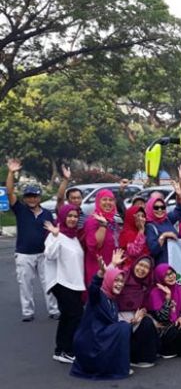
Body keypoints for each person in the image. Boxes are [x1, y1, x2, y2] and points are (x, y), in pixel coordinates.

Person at [6, 158, 59, 321]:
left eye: (34, 196)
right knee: (25, 284)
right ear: (25, 198)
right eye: (28, 196)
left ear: (39, 197)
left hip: (44, 254)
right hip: (24, 254)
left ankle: (54, 310)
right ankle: (27, 312)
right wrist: (11, 172)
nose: (31, 199)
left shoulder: (47, 214)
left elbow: (54, 232)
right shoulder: (20, 210)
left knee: (49, 283)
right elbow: (9, 192)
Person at [71, 256, 131, 380]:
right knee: (123, 327)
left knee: (124, 326)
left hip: (101, 339)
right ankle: (116, 368)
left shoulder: (112, 300)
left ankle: (115, 366)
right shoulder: (98, 297)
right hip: (91, 342)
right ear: (108, 280)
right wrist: (100, 274)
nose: (119, 284)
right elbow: (93, 288)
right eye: (116, 280)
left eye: (121, 281)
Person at [43, 204, 85, 364]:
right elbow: (50, 255)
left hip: (73, 282)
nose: (73, 219)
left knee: (67, 317)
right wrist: (55, 236)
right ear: (63, 217)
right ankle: (67, 350)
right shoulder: (56, 235)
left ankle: (60, 350)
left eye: (75, 216)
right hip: (61, 282)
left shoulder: (73, 236)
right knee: (76, 315)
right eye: (69, 216)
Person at [115, 255, 159, 368]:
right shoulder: (122, 278)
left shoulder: (145, 285)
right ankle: (132, 357)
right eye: (140, 265)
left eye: (146, 267)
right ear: (135, 264)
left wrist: (142, 313)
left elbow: (144, 305)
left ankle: (143, 358)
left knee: (149, 323)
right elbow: (111, 298)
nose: (142, 269)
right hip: (118, 317)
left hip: (136, 316)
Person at [148, 264, 181, 358]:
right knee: (179, 332)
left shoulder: (178, 288)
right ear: (160, 278)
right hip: (162, 328)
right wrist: (168, 298)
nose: (171, 276)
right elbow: (162, 318)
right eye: (166, 275)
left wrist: (180, 317)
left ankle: (177, 349)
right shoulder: (155, 292)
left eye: (172, 273)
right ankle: (164, 350)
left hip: (175, 324)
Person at [83, 189, 120, 288]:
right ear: (98, 202)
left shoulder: (112, 221)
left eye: (111, 200)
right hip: (98, 268)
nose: (108, 203)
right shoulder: (92, 221)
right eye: (104, 200)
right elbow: (95, 245)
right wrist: (102, 225)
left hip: (112, 266)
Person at [145, 184, 181, 265]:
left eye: (162, 207)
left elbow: (180, 210)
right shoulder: (149, 226)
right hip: (162, 266)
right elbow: (153, 250)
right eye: (156, 207)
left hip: (174, 262)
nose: (160, 210)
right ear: (150, 207)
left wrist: (179, 195)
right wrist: (164, 236)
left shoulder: (167, 219)